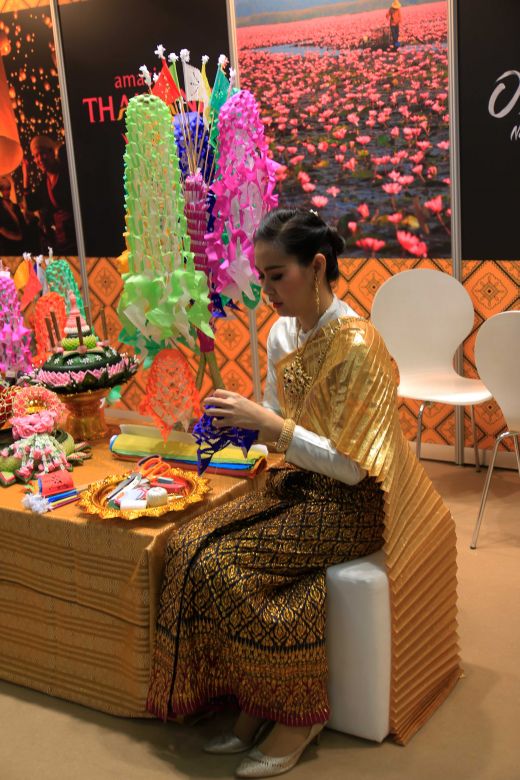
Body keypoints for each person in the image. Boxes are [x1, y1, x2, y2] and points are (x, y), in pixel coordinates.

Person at [147, 208, 458, 777]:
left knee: (226, 564)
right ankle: (254, 699)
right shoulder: (282, 333)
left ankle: (294, 713)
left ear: (316, 267)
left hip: (354, 502)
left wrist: (271, 426)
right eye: (261, 277)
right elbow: (277, 429)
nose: (267, 291)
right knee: (189, 545)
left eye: (277, 276)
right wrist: (240, 427)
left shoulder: (358, 344)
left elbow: (354, 467)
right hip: (297, 482)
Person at [23, 135, 76, 254]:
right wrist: (25, 176)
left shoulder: (67, 172)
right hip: (60, 243)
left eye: (42, 153)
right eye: (36, 156)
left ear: (51, 152)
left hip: (77, 237)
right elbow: (31, 205)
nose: (39, 159)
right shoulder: (44, 183)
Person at [0, 175, 26, 255]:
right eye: (4, 189)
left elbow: (22, 223)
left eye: (8, 189)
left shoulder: (15, 206)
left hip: (19, 241)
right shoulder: (1, 205)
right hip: (5, 242)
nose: (6, 192)